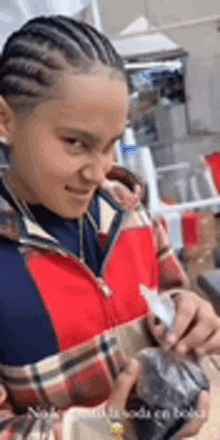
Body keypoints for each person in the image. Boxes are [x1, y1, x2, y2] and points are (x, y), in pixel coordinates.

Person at [0, 14, 219, 439]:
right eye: (76, 143)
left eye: (112, 144)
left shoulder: (128, 211)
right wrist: (102, 431)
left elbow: (170, 289)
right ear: (5, 119)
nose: (100, 173)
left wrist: (186, 313)